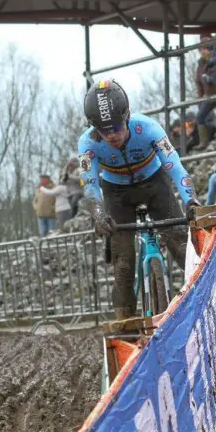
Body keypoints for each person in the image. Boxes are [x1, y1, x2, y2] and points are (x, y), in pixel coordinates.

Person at [77, 78, 202, 321]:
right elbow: (90, 185)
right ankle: (125, 324)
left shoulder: (148, 128)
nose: (111, 135)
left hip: (154, 183)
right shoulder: (87, 143)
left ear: (127, 116)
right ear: (94, 128)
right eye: (104, 130)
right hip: (116, 192)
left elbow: (174, 166)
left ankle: (204, 298)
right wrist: (98, 214)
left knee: (179, 242)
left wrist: (190, 201)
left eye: (116, 126)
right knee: (123, 262)